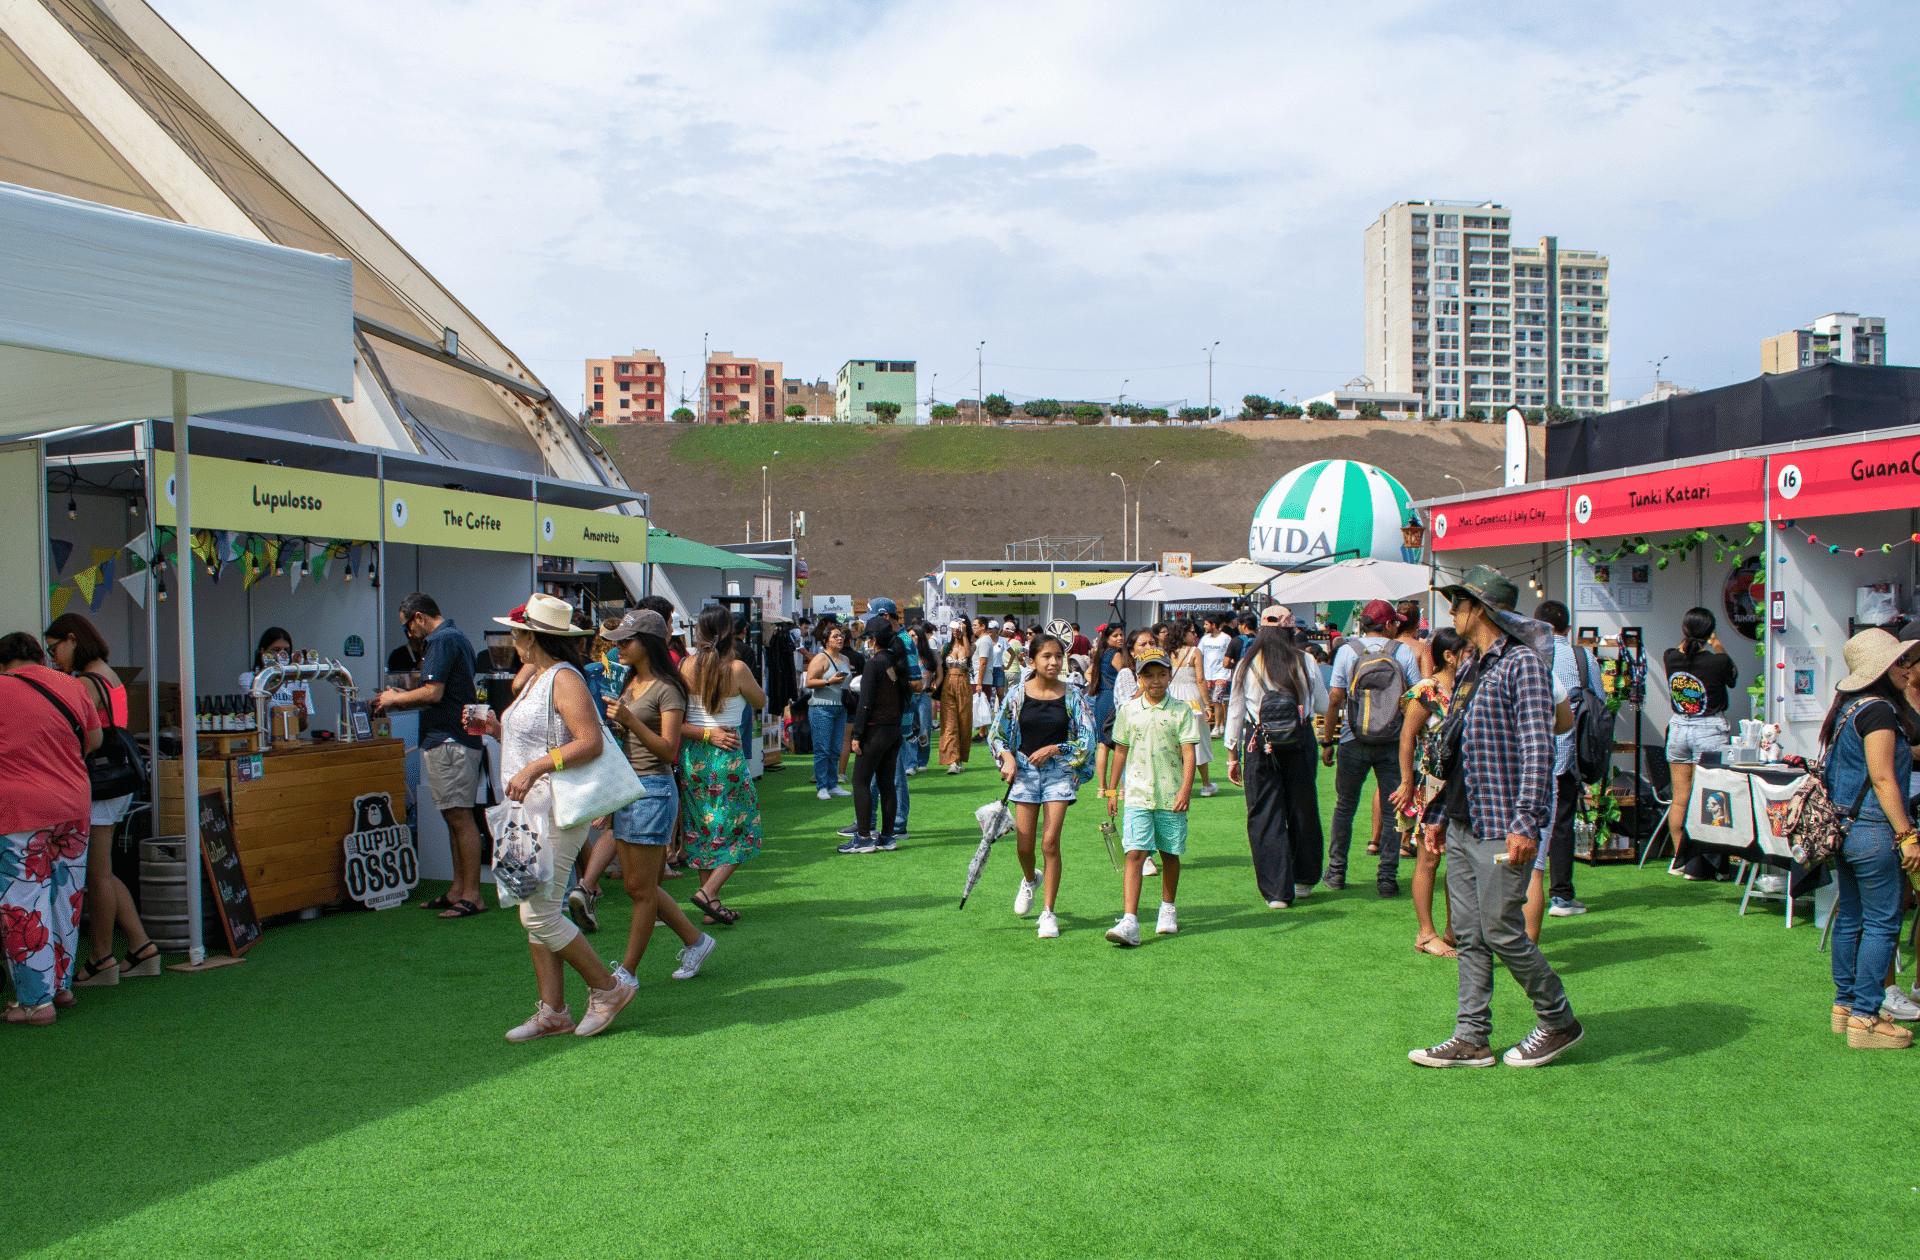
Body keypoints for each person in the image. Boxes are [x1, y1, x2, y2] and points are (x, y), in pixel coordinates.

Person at [1408, 567, 1582, 1069]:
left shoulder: (1523, 664)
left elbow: (1537, 744)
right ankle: (1471, 1037)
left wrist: (1527, 821)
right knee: (1468, 932)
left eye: (1458, 604)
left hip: (1504, 820)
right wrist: (1439, 812)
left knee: (1501, 928)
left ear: (1479, 608)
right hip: (1464, 818)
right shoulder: (1470, 665)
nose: (1452, 613)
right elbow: (1456, 748)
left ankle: (1557, 1019)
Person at [474, 595, 634, 1040]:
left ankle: (608, 988)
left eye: (516, 632)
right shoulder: (540, 678)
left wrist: (534, 767)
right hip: (528, 810)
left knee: (539, 914)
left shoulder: (563, 678)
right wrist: (497, 731)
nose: (511, 639)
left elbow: (590, 742)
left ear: (529, 637)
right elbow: (540, 739)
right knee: (533, 905)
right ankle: (553, 1011)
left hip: (556, 808)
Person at [599, 609, 715, 986]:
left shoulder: (668, 688)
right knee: (637, 886)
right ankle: (696, 941)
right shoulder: (629, 683)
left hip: (653, 790)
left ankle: (627, 973)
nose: (618, 647)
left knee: (641, 890)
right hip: (629, 787)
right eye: (617, 641)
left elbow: (668, 750)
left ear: (647, 644)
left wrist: (630, 721)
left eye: (626, 641)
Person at [45, 613, 158, 988]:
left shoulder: (88, 683)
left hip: (101, 785)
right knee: (105, 873)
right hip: (117, 783)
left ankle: (100, 957)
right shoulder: (107, 675)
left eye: (54, 648)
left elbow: (72, 733)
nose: (53, 658)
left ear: (73, 640)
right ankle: (141, 948)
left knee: (98, 875)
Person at [1819, 630, 1920, 1047]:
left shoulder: (1848, 706)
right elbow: (1882, 778)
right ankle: (1864, 1016)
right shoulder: (1878, 711)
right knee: (1883, 923)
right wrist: (1907, 834)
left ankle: (1846, 1007)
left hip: (1844, 830)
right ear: (1881, 669)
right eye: (1899, 661)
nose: (1907, 667)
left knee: (1852, 919)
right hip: (1873, 830)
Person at [0, 632, 101, 1024]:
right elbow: (94, 738)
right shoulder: (71, 685)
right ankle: (60, 986)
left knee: (23, 901)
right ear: (40, 657)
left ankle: (34, 1002)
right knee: (65, 896)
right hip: (74, 802)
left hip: (20, 808)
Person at [372, 594, 487, 919]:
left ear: (419, 617)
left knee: (460, 818)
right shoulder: (456, 637)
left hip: (450, 739)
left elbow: (433, 692)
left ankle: (472, 895)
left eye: (407, 625)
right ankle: (459, 890)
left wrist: (396, 698)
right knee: (455, 817)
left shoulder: (441, 640)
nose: (408, 633)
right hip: (455, 737)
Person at [989, 635, 1096, 939]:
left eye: (1059, 656)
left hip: (1059, 774)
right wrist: (1007, 759)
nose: (1054, 662)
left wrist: (1054, 749)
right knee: (1024, 846)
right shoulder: (1016, 695)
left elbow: (1088, 739)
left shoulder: (1073, 696)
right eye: (1047, 656)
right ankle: (1029, 879)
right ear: (1031, 660)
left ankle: (1049, 913)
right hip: (1023, 773)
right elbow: (997, 735)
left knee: (1050, 843)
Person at [1225, 608, 1328, 908]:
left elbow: (1235, 710)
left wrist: (1232, 754)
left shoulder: (1247, 663)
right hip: (1300, 740)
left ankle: (1276, 892)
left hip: (1260, 741)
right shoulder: (1306, 659)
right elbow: (1321, 703)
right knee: (1303, 807)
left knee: (1264, 814)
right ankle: (1305, 878)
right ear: (1290, 630)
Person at [1322, 600, 1419, 895]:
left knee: (1345, 807)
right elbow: (1416, 696)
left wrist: (1328, 741)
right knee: (1393, 812)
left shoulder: (1347, 651)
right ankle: (1387, 878)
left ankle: (1336, 872)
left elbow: (1336, 698)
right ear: (1389, 624)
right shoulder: (1402, 651)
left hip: (1354, 738)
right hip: (1393, 741)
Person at [1104, 647, 1200, 945]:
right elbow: (1119, 750)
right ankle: (1130, 920)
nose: (1156, 681)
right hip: (1136, 795)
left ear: (1170, 675)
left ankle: (1167, 908)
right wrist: (1111, 790)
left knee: (1170, 853)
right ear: (1138, 678)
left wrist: (1186, 789)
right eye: (1149, 675)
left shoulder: (1181, 710)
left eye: (1162, 674)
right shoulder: (1128, 711)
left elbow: (1189, 752)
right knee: (1134, 853)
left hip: (1171, 796)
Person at [679, 606, 767, 925]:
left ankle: (711, 903)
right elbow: (761, 701)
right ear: (731, 632)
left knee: (703, 828)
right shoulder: (737, 668)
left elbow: (674, 716)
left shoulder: (685, 666)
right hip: (726, 752)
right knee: (745, 828)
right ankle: (709, 893)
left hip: (693, 754)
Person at [1390, 628, 1467, 956]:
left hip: (1462, 782)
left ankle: (1454, 928)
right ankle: (1425, 933)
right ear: (1449, 656)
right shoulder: (1427, 690)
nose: (1474, 658)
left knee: (1460, 860)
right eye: (1468, 652)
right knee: (1429, 858)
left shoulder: (1467, 688)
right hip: (1431, 784)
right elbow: (1407, 737)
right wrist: (1407, 782)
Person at [1529, 600, 1606, 920]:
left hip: (1526, 751)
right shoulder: (1583, 656)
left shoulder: (1525, 654)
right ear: (1568, 627)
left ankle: (1517, 889)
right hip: (1566, 750)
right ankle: (1560, 896)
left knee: (1522, 819)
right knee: (1561, 823)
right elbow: (1598, 701)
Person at [1660, 607, 1739, 879]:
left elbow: (1684, 651)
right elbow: (1732, 677)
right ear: (1710, 632)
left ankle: (1679, 859)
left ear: (1684, 629)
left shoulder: (1670, 657)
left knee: (1680, 798)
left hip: (1679, 728)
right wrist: (1718, 645)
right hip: (1709, 731)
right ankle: (1706, 866)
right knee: (1712, 799)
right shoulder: (1718, 661)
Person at [841, 615, 911, 852]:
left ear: (872, 639)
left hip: (875, 731)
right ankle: (887, 836)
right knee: (886, 783)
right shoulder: (896, 661)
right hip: (893, 730)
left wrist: (857, 734)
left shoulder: (875, 663)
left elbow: (866, 702)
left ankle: (863, 837)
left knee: (860, 781)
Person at [804, 623, 854, 800]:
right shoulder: (820, 658)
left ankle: (833, 784)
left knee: (835, 748)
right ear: (825, 640)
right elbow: (808, 682)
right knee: (822, 749)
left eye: (840, 635)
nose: (839, 638)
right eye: (834, 636)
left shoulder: (845, 659)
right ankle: (822, 786)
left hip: (840, 707)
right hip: (821, 707)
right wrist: (828, 682)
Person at [1168, 624, 1218, 796]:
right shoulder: (1194, 652)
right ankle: (1205, 784)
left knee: (1174, 742)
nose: (1195, 634)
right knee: (1199, 741)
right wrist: (1208, 705)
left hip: (1173, 697)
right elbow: (1200, 680)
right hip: (1193, 698)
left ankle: (1177, 784)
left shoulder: (1168, 652)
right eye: (1192, 632)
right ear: (1183, 633)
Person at [241, 626, 313, 732]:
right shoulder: (249, 679)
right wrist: (281, 674)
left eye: (286, 651)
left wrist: (301, 719)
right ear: (263, 652)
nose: (281, 655)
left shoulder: (299, 681)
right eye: (276, 650)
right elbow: (259, 704)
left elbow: (302, 727)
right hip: (260, 742)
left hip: (290, 743)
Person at [1087, 624, 1130, 796]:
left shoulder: (1100, 654)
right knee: (1119, 745)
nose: (1120, 638)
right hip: (1114, 698)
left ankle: (1102, 788)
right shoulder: (1116, 654)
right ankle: (1121, 789)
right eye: (1115, 636)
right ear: (1107, 638)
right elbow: (1126, 676)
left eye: (1121, 635)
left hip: (1101, 698)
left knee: (1103, 744)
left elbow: (1088, 673)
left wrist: (1097, 685)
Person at [938, 619, 975, 774]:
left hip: (964, 683)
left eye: (958, 627)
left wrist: (964, 634)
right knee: (949, 722)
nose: (955, 630)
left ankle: (959, 759)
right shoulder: (946, 647)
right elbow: (940, 666)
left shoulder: (971, 644)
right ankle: (952, 761)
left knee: (964, 721)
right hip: (948, 683)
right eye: (953, 627)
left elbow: (967, 655)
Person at [1199, 614, 1234, 735]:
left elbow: (1230, 654)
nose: (1204, 626)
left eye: (1206, 624)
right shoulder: (1204, 639)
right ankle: (1216, 725)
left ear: (1214, 625)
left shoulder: (1226, 638)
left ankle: (1217, 727)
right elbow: (1200, 653)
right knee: (1208, 700)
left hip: (1222, 673)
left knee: (1216, 699)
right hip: (1208, 674)